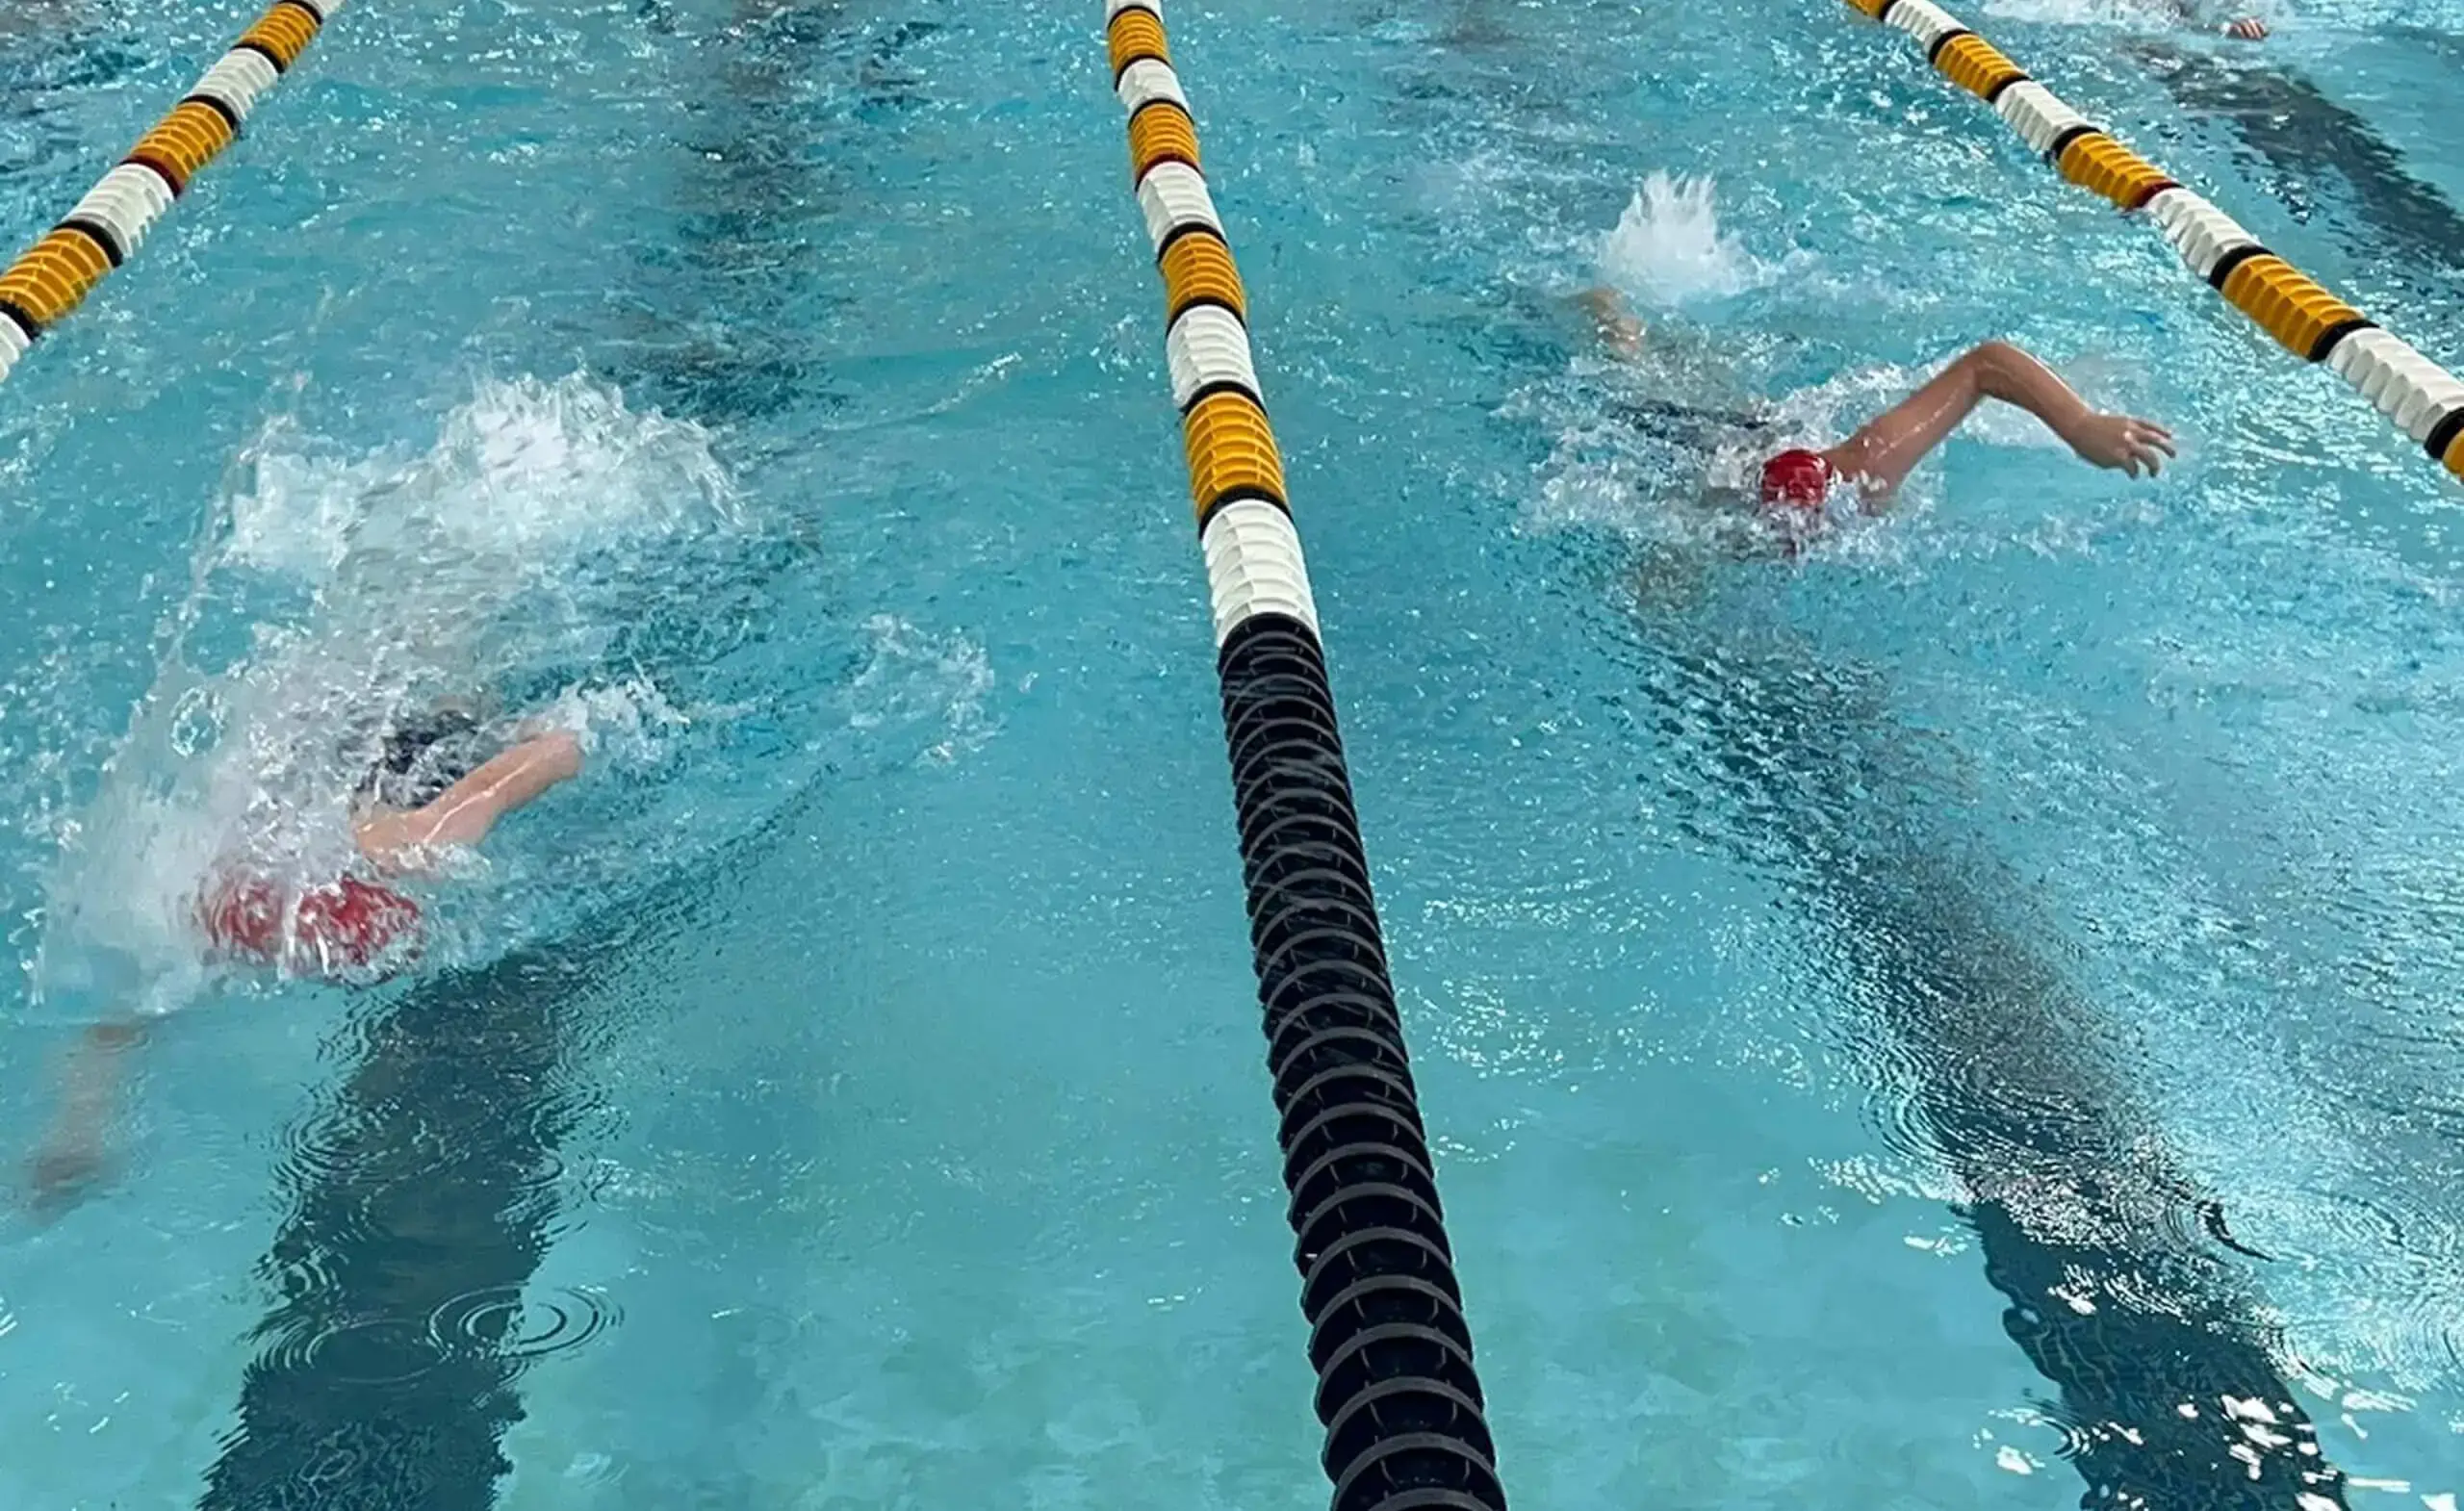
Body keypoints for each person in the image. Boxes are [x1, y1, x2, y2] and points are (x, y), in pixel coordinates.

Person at [25, 709, 584, 1215]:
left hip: (411, 757)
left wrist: (528, 737)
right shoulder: (219, 911)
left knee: (454, 703)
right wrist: (79, 1131)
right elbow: (122, 1027)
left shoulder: (414, 842)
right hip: (346, 775)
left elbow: (560, 750)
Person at [1578, 287, 2175, 531]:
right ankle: (1612, 316)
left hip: (1764, 438)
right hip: (1707, 449)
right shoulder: (1715, 522)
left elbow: (1987, 364)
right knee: (1645, 380)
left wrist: (2079, 424)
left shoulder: (1863, 472)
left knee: (1677, 379)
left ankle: (1617, 314)